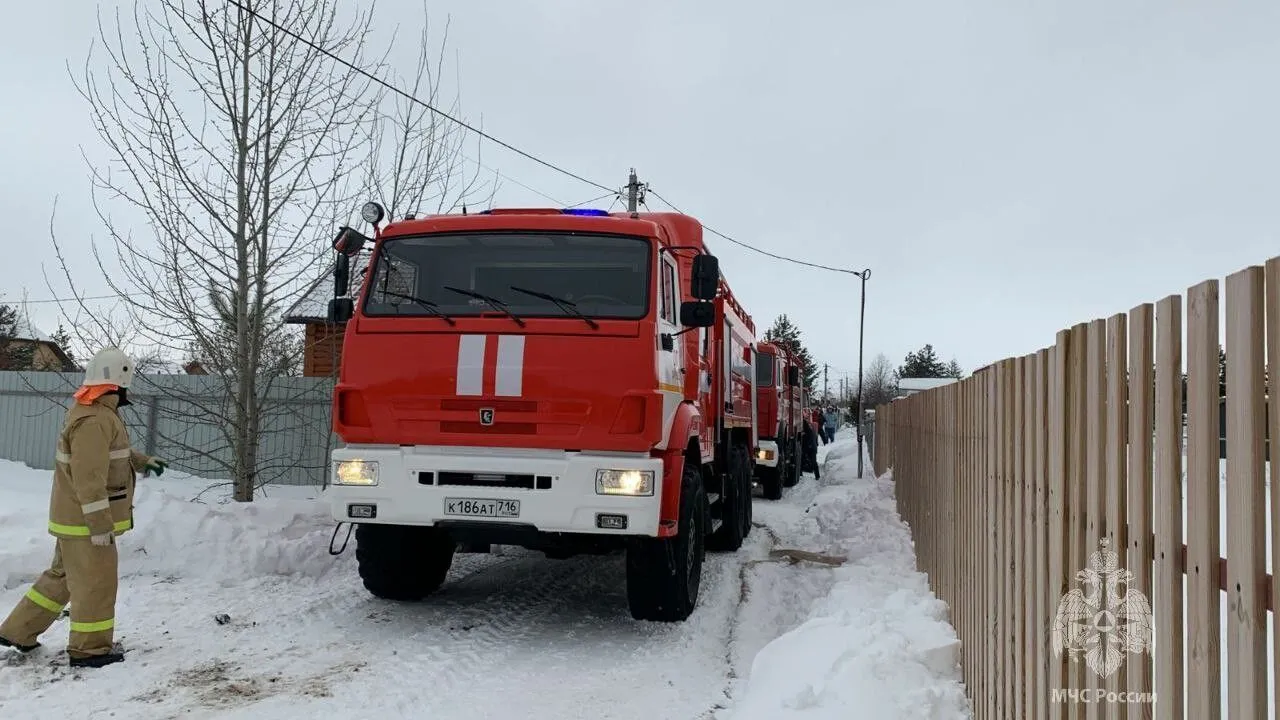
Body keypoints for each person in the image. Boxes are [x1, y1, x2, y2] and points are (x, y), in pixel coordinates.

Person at [0, 347, 167, 668]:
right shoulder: (94, 419)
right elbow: (89, 476)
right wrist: (100, 525)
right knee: (96, 583)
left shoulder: (94, 412)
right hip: (87, 523)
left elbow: (110, 451)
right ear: (119, 382)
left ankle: (18, 630)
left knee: (62, 577)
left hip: (74, 521)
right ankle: (90, 651)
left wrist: (143, 461)